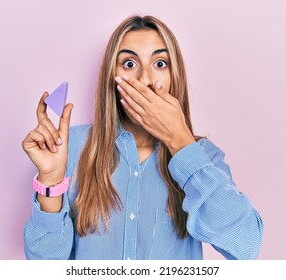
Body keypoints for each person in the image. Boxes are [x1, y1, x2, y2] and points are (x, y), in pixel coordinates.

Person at [22, 15, 263, 260]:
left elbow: (246, 246)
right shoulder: (72, 148)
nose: (145, 80)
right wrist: (51, 181)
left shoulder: (204, 156)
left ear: (174, 76)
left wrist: (180, 142)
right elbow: (45, 263)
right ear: (111, 76)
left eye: (160, 64)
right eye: (129, 64)